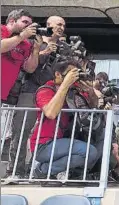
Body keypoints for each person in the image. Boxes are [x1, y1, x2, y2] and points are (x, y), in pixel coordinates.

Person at [6, 16, 66, 182]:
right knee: (21, 131)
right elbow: (28, 67)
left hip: (50, 93)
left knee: (45, 135)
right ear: (48, 25)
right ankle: (15, 171)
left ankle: (36, 170)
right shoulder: (33, 40)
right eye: (58, 24)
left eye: (63, 25)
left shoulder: (62, 47)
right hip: (30, 91)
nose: (61, 27)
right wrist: (43, 51)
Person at [29, 60, 98, 183]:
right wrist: (65, 85)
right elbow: (51, 113)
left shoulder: (73, 91)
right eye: (69, 74)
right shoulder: (45, 89)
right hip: (44, 144)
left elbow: (94, 106)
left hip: (60, 141)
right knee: (89, 152)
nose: (73, 79)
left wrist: (91, 92)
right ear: (58, 75)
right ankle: (43, 170)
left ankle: (51, 170)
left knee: (92, 151)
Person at [1, 9, 41, 103]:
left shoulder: (25, 44)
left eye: (29, 24)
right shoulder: (2, 29)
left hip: (4, 94)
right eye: (25, 22)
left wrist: (36, 49)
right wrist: (23, 35)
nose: (27, 26)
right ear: (11, 21)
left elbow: (29, 69)